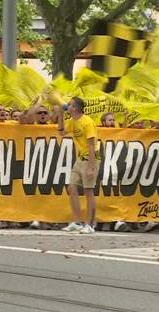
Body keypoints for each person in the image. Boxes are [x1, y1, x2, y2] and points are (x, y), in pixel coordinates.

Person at [57, 98, 100, 234]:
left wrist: (91, 167)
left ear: (75, 108)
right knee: (72, 187)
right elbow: (61, 132)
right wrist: (60, 115)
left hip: (90, 158)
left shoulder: (87, 122)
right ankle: (76, 221)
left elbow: (92, 145)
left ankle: (90, 224)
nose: (67, 105)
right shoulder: (72, 121)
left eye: (69, 104)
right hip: (80, 158)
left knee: (88, 191)